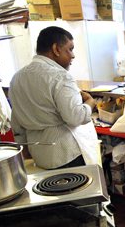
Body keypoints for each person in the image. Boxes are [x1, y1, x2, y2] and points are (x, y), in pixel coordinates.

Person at [9, 26, 98, 169]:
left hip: (40, 155)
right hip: (67, 154)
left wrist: (24, 148)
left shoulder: (17, 78)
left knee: (52, 190)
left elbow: (17, 121)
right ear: (56, 49)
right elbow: (75, 117)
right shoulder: (60, 76)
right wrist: (90, 102)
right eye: (70, 49)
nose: (73, 55)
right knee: (76, 189)